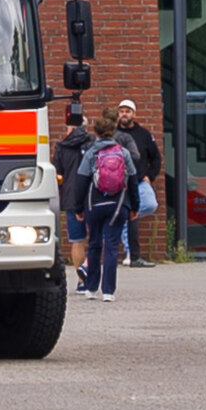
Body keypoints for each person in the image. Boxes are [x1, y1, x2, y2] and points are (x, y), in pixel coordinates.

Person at [74, 115, 140, 302]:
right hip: (118, 205)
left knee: (94, 244)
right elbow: (133, 182)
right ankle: (109, 291)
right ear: (113, 132)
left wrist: (79, 208)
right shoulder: (123, 153)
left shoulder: (91, 153)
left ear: (96, 132)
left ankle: (91, 288)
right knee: (111, 246)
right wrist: (135, 206)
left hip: (94, 205)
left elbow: (81, 182)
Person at [115, 98, 161, 267]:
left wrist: (150, 176)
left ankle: (124, 220)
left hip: (140, 181)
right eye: (121, 111)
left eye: (128, 111)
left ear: (134, 114)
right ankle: (129, 252)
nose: (124, 114)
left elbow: (156, 158)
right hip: (119, 184)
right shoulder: (114, 134)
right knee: (129, 215)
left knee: (150, 204)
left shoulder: (144, 134)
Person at [53, 113, 91, 292]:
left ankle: (81, 281)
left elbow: (57, 175)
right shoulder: (93, 144)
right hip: (92, 197)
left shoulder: (61, 147)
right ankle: (88, 266)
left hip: (70, 198)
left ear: (70, 127)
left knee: (77, 240)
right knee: (99, 237)